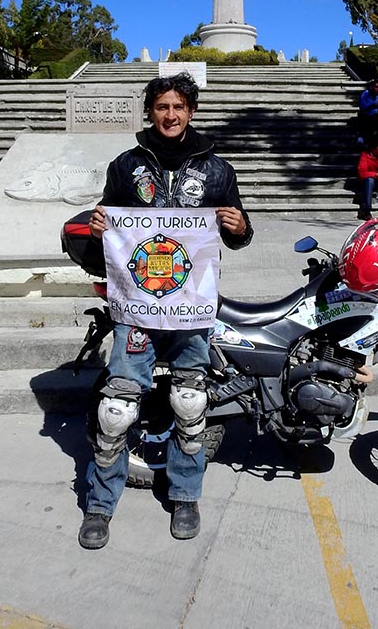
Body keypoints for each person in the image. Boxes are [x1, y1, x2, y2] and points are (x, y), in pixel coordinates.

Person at [79, 73, 253, 549]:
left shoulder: (218, 170)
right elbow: (108, 235)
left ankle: (185, 496)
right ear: (150, 112)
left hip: (191, 308)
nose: (170, 115)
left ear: (190, 111)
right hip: (136, 308)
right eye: (161, 107)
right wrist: (98, 228)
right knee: (116, 410)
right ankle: (100, 503)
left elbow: (238, 236)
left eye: (178, 106)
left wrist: (239, 226)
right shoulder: (125, 166)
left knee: (191, 403)